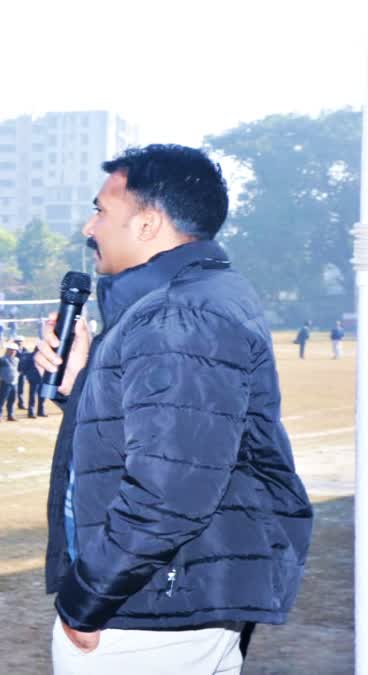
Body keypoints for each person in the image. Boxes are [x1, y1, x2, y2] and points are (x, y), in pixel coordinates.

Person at [35, 144, 312, 672]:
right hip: (169, 598)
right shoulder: (185, 302)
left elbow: (171, 491)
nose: (89, 228)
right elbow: (163, 438)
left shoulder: (181, 315)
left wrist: (86, 604)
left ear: (147, 224)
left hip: (151, 610)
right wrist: (82, 379)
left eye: (101, 210)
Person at [19, 339, 46, 418]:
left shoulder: (44, 357)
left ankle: (40, 411)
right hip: (34, 379)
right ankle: (31, 412)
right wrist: (28, 376)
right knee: (32, 397)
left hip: (42, 379)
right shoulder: (30, 356)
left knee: (42, 396)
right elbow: (24, 367)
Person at [0, 343, 19, 422]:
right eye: (10, 350)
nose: (12, 352)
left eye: (14, 351)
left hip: (14, 383)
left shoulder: (17, 359)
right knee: (2, 399)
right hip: (5, 382)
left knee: (12, 400)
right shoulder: (2, 359)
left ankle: (10, 415)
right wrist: (3, 377)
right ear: (7, 350)